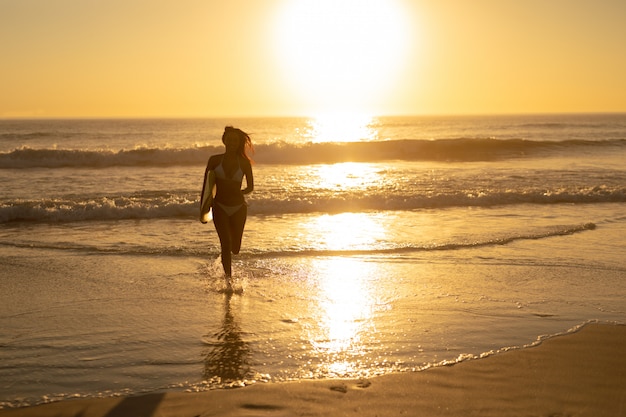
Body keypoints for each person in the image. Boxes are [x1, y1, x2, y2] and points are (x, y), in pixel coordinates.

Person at [204, 126, 254, 285]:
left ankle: (228, 272)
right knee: (225, 244)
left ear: (239, 142)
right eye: (229, 139)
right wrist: (204, 209)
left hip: (239, 208)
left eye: (235, 140)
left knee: (235, 248)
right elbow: (206, 187)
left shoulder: (245, 163)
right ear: (224, 140)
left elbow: (250, 186)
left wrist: (242, 191)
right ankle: (228, 280)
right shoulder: (214, 160)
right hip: (219, 206)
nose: (232, 142)